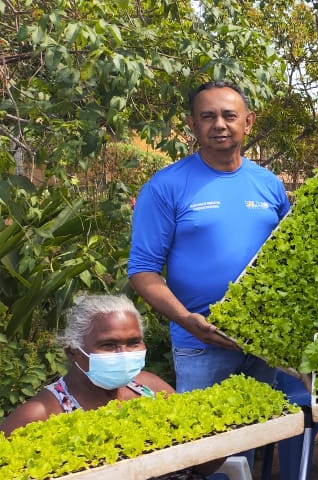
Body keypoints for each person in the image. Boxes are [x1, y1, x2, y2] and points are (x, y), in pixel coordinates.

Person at [127, 81, 290, 393]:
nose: (219, 125)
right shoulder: (166, 186)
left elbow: (288, 256)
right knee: (211, 439)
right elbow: (142, 270)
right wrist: (187, 320)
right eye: (207, 116)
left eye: (229, 115)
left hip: (265, 342)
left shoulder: (269, 184)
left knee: (261, 432)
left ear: (248, 121)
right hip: (200, 345)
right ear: (192, 124)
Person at [0, 295, 223, 478]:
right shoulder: (42, 412)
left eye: (133, 342)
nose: (124, 354)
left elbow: (201, 467)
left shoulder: (149, 387)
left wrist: (223, 431)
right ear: (73, 351)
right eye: (109, 345)